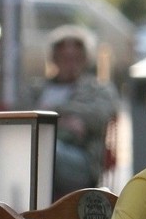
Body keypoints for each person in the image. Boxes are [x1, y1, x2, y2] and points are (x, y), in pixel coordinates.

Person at [34, 25, 119, 199]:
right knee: (30, 149)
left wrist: (51, 113)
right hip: (37, 150)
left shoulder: (97, 90)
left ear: (85, 59)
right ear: (54, 58)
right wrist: (66, 120)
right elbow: (22, 117)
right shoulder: (36, 89)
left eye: (75, 57)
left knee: (45, 149)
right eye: (64, 57)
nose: (70, 62)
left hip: (81, 161)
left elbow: (100, 116)